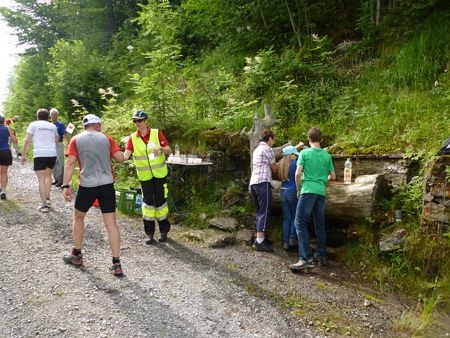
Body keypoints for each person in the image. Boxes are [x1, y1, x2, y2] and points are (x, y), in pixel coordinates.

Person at [61, 114, 125, 276]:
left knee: (78, 217)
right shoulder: (107, 138)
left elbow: (70, 162)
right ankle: (116, 263)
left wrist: (66, 185)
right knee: (111, 223)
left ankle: (77, 254)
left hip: (87, 186)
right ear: (97, 125)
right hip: (106, 185)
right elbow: (120, 158)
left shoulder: (76, 139)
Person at [290, 127, 336, 271]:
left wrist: (298, 189)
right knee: (319, 224)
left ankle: (305, 258)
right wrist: (322, 180)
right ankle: (320, 256)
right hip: (320, 192)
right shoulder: (327, 156)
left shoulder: (304, 153)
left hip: (307, 190)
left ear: (308, 139)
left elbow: (298, 174)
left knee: (300, 223)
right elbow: (333, 176)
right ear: (321, 140)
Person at [124, 110, 172, 244]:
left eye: (139, 120)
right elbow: (126, 155)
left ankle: (164, 231)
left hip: (160, 175)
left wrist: (160, 149)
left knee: (161, 202)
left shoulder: (157, 133)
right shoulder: (133, 137)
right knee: (148, 203)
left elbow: (169, 150)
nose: (137, 123)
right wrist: (114, 155)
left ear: (146, 121)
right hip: (145, 177)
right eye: (135, 121)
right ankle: (149, 233)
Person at [21, 109, 58, 212]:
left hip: (40, 153)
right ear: (48, 117)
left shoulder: (33, 125)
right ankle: (47, 198)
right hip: (51, 153)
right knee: (48, 177)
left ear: (37, 116)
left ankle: (44, 205)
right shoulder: (53, 126)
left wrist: (23, 155)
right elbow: (56, 139)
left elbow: (27, 140)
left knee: (41, 179)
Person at [249, 129, 277, 252]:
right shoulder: (268, 149)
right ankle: (259, 241)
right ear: (269, 139)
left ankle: (260, 238)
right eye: (273, 139)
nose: (274, 142)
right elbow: (274, 168)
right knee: (265, 210)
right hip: (263, 182)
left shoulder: (256, 149)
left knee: (259, 211)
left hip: (253, 183)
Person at [278, 143, 303, 250]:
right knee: (294, 216)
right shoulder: (295, 164)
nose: (296, 156)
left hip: (283, 192)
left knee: (286, 217)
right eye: (294, 154)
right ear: (290, 155)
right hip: (293, 191)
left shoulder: (281, 164)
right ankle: (292, 238)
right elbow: (299, 176)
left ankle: (285, 242)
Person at [0, 115, 18, 200]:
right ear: (3, 121)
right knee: (3, 172)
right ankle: (3, 191)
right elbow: (15, 141)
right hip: (5, 151)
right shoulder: (7, 128)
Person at [50, 108, 68, 187]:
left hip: (59, 144)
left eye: (55, 114)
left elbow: (66, 134)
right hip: (50, 145)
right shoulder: (49, 125)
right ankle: (56, 179)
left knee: (60, 162)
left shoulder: (60, 124)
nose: (54, 116)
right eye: (52, 114)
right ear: (50, 115)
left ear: (57, 115)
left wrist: (69, 143)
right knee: (53, 162)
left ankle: (61, 180)